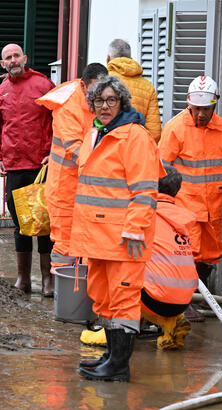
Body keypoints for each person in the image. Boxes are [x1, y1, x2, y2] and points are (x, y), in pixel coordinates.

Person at [69, 75, 162, 382]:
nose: (104, 106)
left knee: (123, 302)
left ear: (123, 102)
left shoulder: (135, 137)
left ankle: (120, 365)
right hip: (97, 237)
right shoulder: (95, 133)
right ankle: (111, 357)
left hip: (124, 239)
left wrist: (135, 228)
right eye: (99, 101)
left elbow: (145, 189)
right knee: (105, 300)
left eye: (111, 100)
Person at [79, 165, 197, 356]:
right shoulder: (183, 219)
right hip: (184, 300)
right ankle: (171, 322)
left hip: (153, 297)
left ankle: (108, 330)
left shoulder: (143, 214)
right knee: (146, 276)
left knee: (115, 271)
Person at [0, 43, 55, 296]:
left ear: (24, 58)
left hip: (41, 166)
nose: (13, 60)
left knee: (45, 223)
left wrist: (53, 152)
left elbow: (59, 120)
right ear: (3, 64)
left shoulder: (43, 85)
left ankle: (48, 279)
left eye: (16, 56)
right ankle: (23, 279)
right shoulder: (0, 92)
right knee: (22, 224)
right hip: (14, 167)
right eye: (8, 58)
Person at [158, 75, 222, 288]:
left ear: (214, 105)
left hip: (211, 206)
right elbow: (160, 168)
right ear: (189, 104)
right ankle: (186, 299)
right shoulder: (175, 128)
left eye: (206, 109)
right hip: (184, 207)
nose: (201, 114)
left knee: (210, 254)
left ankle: (196, 294)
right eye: (196, 108)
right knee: (186, 253)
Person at [35, 63, 108, 271]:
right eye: (95, 92)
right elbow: (74, 148)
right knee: (65, 243)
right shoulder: (68, 105)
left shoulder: (101, 102)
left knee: (89, 243)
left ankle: (83, 293)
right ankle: (63, 294)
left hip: (89, 187)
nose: (99, 98)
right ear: (84, 86)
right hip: (64, 189)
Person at [106, 39, 162, 142]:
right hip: (137, 146)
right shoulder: (148, 86)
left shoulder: (103, 82)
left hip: (109, 145)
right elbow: (155, 132)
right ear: (131, 59)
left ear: (108, 58)